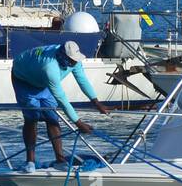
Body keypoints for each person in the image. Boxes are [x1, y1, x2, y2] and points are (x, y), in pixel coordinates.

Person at [11, 40, 111, 172]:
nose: (75, 62)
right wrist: (78, 123)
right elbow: (61, 99)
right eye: (72, 60)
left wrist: (96, 103)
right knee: (32, 118)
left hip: (43, 83)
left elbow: (82, 80)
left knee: (52, 118)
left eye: (76, 60)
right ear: (62, 56)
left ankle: (60, 160)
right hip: (24, 80)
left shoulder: (74, 60)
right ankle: (30, 161)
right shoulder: (50, 68)